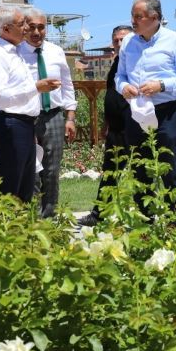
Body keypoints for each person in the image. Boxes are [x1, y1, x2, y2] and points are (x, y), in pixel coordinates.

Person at [115, 0, 176, 214]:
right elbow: (119, 76)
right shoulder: (128, 42)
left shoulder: (175, 40)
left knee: (170, 170)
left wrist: (162, 85)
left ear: (155, 17)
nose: (133, 21)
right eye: (132, 16)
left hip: (167, 114)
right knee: (140, 171)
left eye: (138, 16)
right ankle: (145, 225)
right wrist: (123, 87)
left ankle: (173, 226)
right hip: (137, 113)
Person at [0, 6, 60, 203]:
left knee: (25, 189)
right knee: (11, 189)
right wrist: (36, 87)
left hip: (23, 125)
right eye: (21, 24)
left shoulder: (13, 52)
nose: (26, 28)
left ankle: (21, 231)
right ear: (6, 29)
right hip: (10, 125)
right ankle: (8, 231)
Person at [19, 8, 77, 218]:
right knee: (32, 171)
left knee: (52, 170)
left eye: (41, 27)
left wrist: (70, 117)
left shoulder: (56, 51)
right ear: (24, 27)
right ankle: (32, 217)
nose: (36, 31)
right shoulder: (16, 53)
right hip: (27, 117)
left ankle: (49, 217)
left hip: (53, 116)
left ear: (46, 28)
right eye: (32, 26)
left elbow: (67, 85)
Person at [77, 25, 133, 226]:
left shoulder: (136, 61)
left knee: (140, 172)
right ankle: (99, 214)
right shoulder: (117, 62)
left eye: (123, 40)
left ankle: (144, 214)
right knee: (110, 171)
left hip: (133, 127)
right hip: (115, 127)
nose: (119, 44)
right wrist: (105, 123)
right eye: (116, 40)